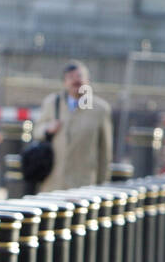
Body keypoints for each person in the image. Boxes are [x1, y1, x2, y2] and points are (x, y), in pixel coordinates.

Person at [33, 60, 113, 191]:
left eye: (80, 76)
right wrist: (48, 129)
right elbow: (36, 131)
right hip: (52, 183)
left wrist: (102, 184)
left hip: (83, 185)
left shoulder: (100, 109)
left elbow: (105, 151)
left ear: (88, 80)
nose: (76, 81)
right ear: (64, 82)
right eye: (71, 77)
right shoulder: (52, 103)